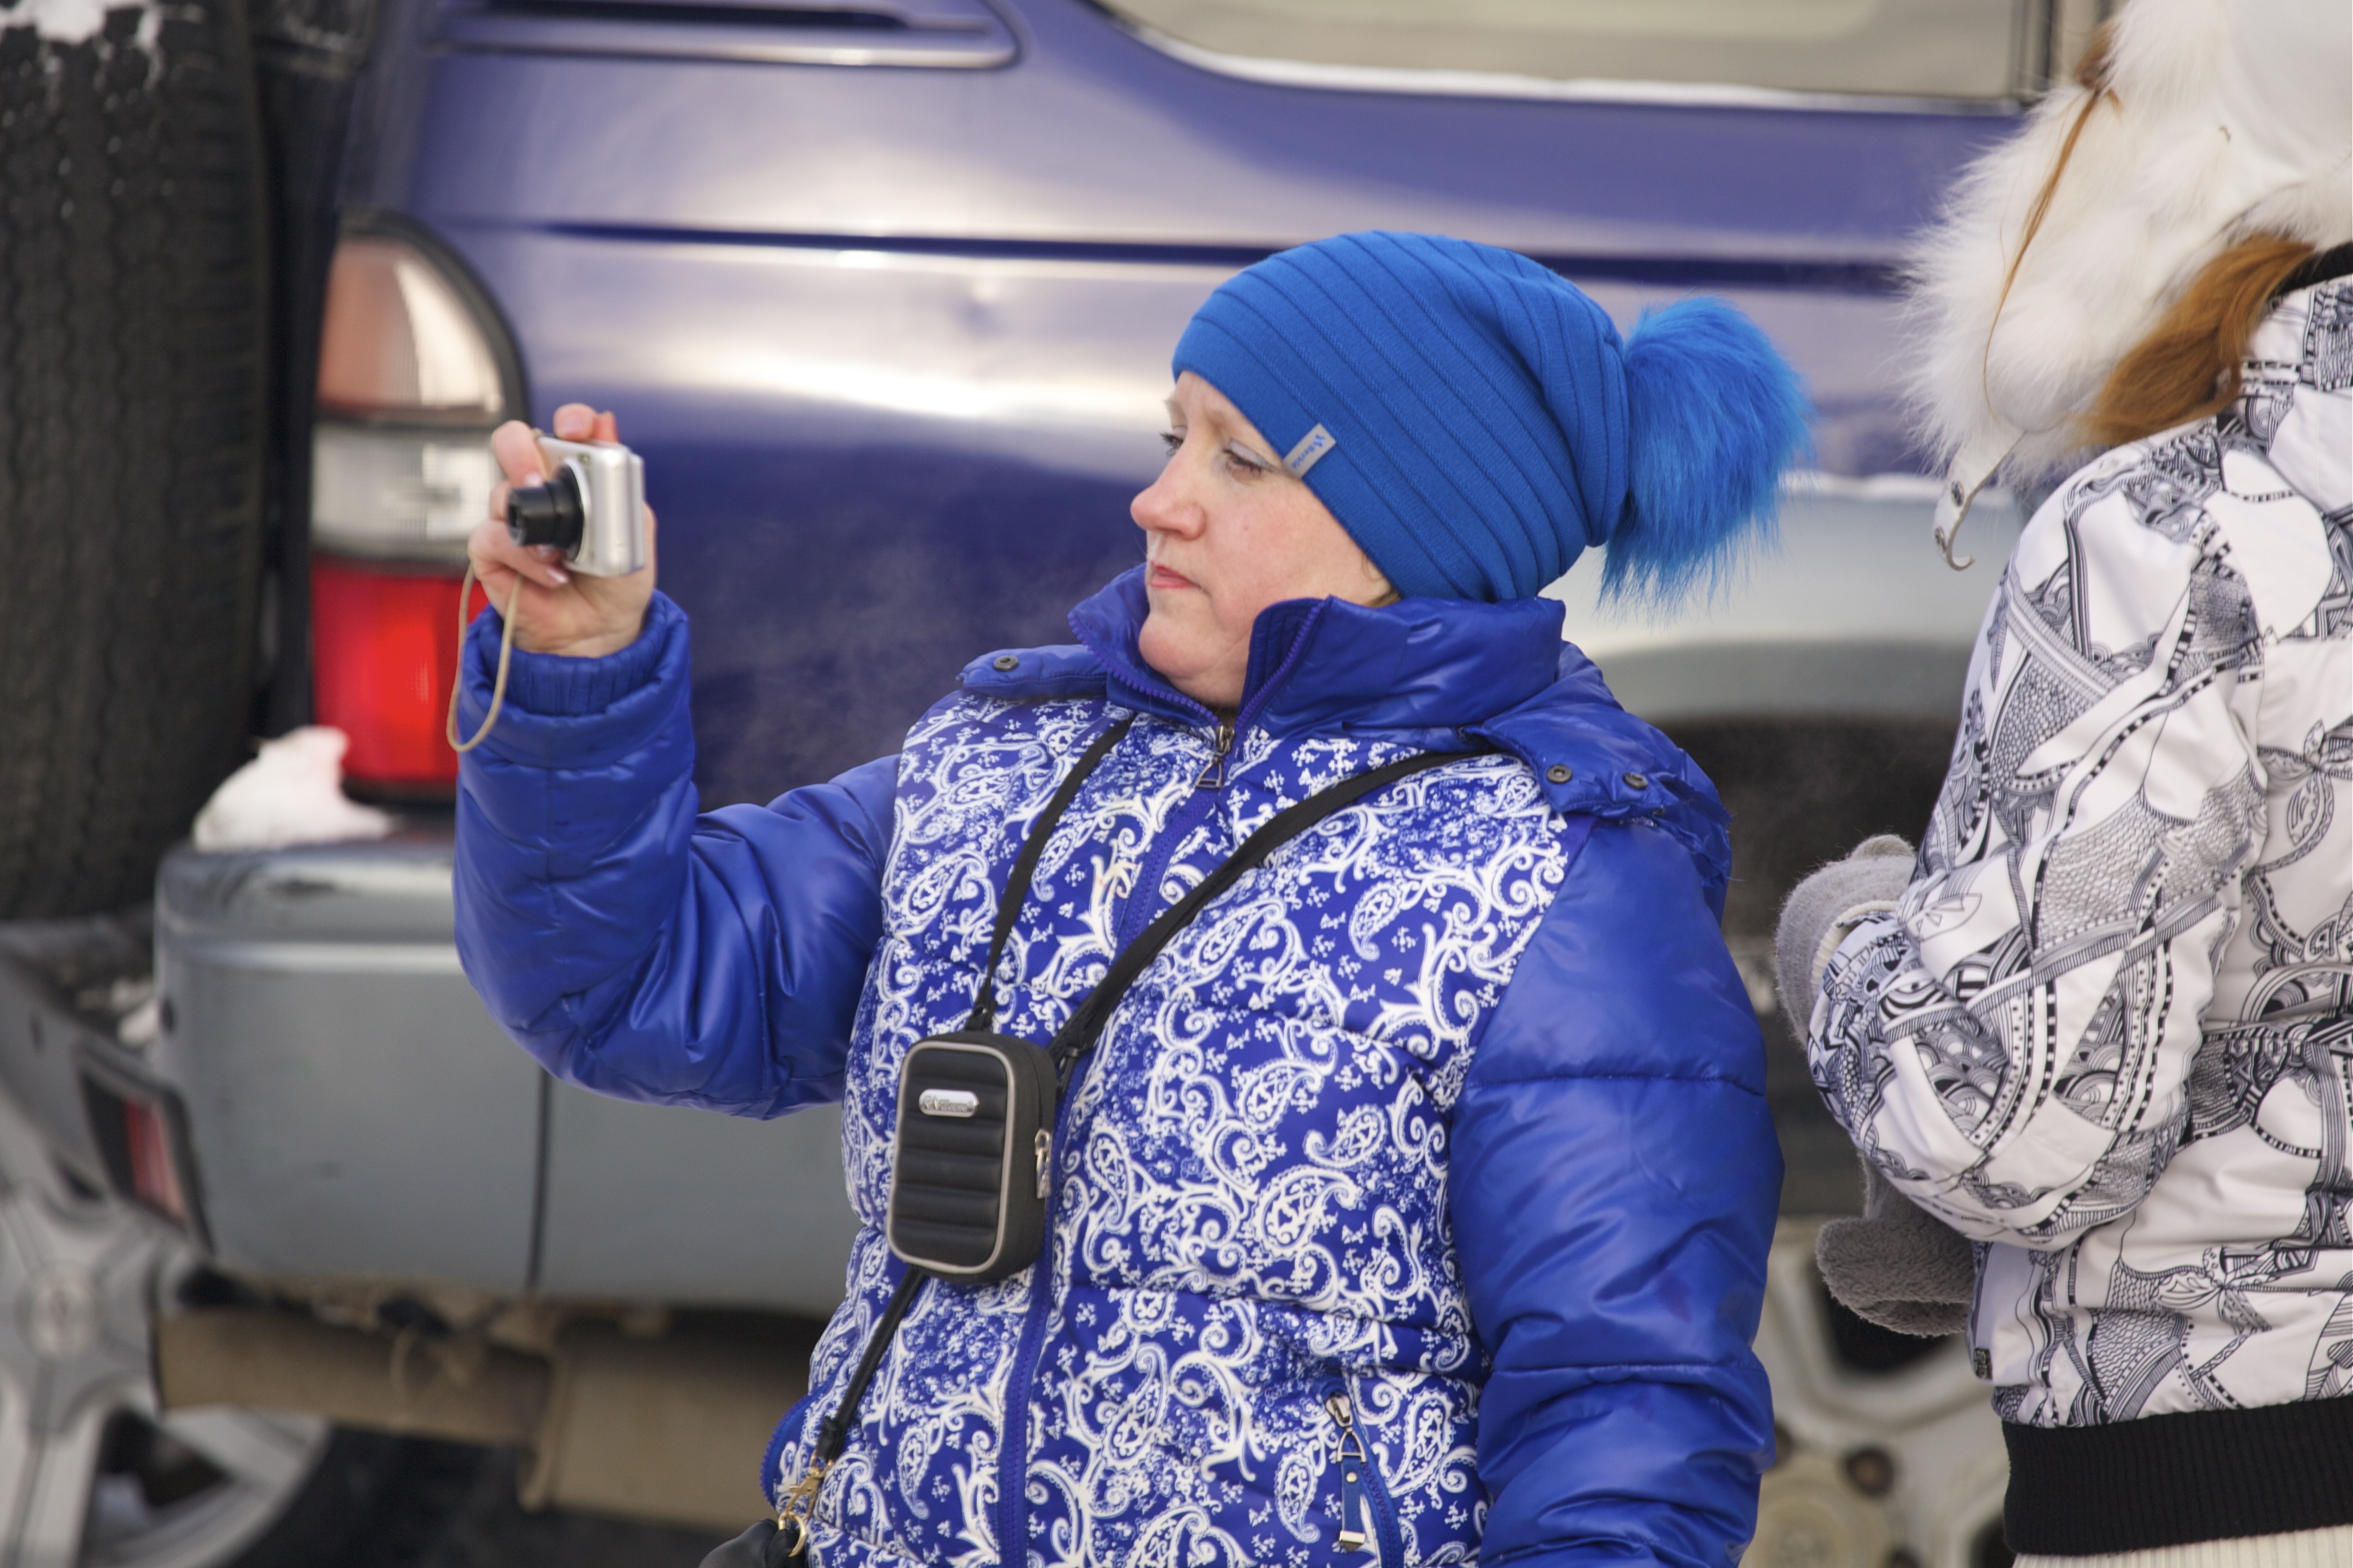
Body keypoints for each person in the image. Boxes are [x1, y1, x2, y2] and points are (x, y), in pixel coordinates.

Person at [455, 231, 1807, 1567]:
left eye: (1240, 457)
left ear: (1417, 524)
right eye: (1174, 437)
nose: (1159, 500)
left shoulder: (1562, 874)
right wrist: (579, 675)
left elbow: (1625, 1414)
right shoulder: (1001, 766)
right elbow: (622, 985)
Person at [1775, 1, 2352, 1563]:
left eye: (2102, 85)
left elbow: (2010, 1124)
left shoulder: (2177, 534)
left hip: (2235, 1484)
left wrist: (1848, 940)